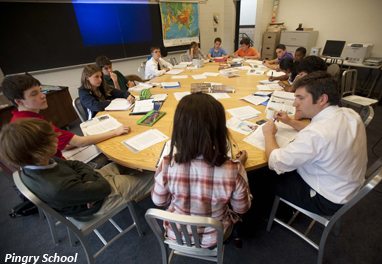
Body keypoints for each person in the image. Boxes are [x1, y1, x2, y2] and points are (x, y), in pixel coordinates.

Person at [152, 93, 252, 248]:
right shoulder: (233, 169)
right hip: (215, 237)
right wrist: (241, 168)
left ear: (179, 130)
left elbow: (159, 201)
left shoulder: (167, 164)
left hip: (176, 234)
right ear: (220, 131)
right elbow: (242, 208)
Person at [0, 118, 154, 219]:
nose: (58, 137)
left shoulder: (39, 161)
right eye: (52, 138)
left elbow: (76, 165)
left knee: (123, 163)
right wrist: (88, 184)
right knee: (154, 177)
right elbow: (103, 189)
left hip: (88, 186)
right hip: (100, 200)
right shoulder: (57, 187)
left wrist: (87, 181)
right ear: (38, 152)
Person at [262, 71, 367, 216]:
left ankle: (280, 213)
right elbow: (324, 135)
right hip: (347, 187)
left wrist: (268, 134)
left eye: (300, 98)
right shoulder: (349, 114)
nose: (294, 103)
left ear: (322, 99)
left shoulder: (316, 134)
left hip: (326, 200)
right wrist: (290, 121)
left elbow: (276, 161)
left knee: (264, 174)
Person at [1, 74, 130, 159]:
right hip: (64, 167)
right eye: (34, 94)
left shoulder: (20, 120)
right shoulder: (32, 125)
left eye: (41, 90)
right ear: (19, 101)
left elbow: (61, 143)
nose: (42, 95)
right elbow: (79, 141)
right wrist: (115, 132)